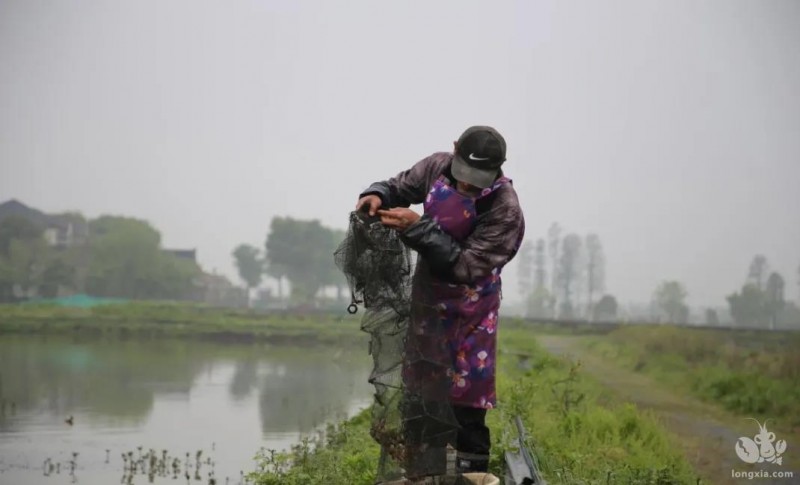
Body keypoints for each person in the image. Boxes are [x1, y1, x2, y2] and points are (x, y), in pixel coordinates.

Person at [355, 125, 525, 476]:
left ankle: (472, 474)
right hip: (428, 306)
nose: (467, 186)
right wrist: (377, 194)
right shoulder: (435, 168)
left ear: (497, 170)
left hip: (472, 313)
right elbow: (399, 186)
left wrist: (418, 227)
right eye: (464, 176)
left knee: (466, 402)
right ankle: (423, 474)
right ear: (454, 150)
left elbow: (464, 266)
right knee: (421, 397)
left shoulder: (505, 209)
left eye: (477, 180)